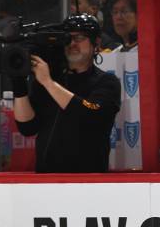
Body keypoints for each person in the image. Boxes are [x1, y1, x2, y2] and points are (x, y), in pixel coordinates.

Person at [13, 14, 121, 173]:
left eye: (79, 38)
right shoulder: (48, 80)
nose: (72, 43)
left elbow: (89, 114)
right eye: (67, 38)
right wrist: (18, 83)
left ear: (96, 42)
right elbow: (27, 127)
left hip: (89, 180)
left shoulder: (106, 82)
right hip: (45, 179)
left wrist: (48, 83)